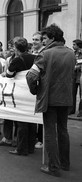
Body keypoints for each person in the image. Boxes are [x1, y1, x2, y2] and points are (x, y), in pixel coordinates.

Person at [26, 24, 75, 177]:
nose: (44, 41)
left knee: (50, 133)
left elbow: (31, 76)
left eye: (45, 38)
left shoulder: (45, 54)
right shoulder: (71, 53)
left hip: (50, 99)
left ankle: (53, 167)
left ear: (52, 38)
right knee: (63, 130)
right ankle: (65, 163)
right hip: (66, 98)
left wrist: (35, 90)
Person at [32, 32, 45, 149]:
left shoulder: (43, 53)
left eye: (36, 40)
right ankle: (36, 136)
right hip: (34, 87)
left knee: (41, 114)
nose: (34, 42)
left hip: (41, 87)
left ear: (42, 41)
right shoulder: (33, 53)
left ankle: (41, 139)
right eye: (33, 39)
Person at [71, 39, 82, 116]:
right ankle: (71, 109)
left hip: (80, 76)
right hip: (74, 76)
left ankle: (81, 111)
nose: (73, 46)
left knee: (81, 94)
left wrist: (77, 67)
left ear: (78, 45)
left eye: (74, 44)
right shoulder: (73, 53)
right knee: (72, 93)